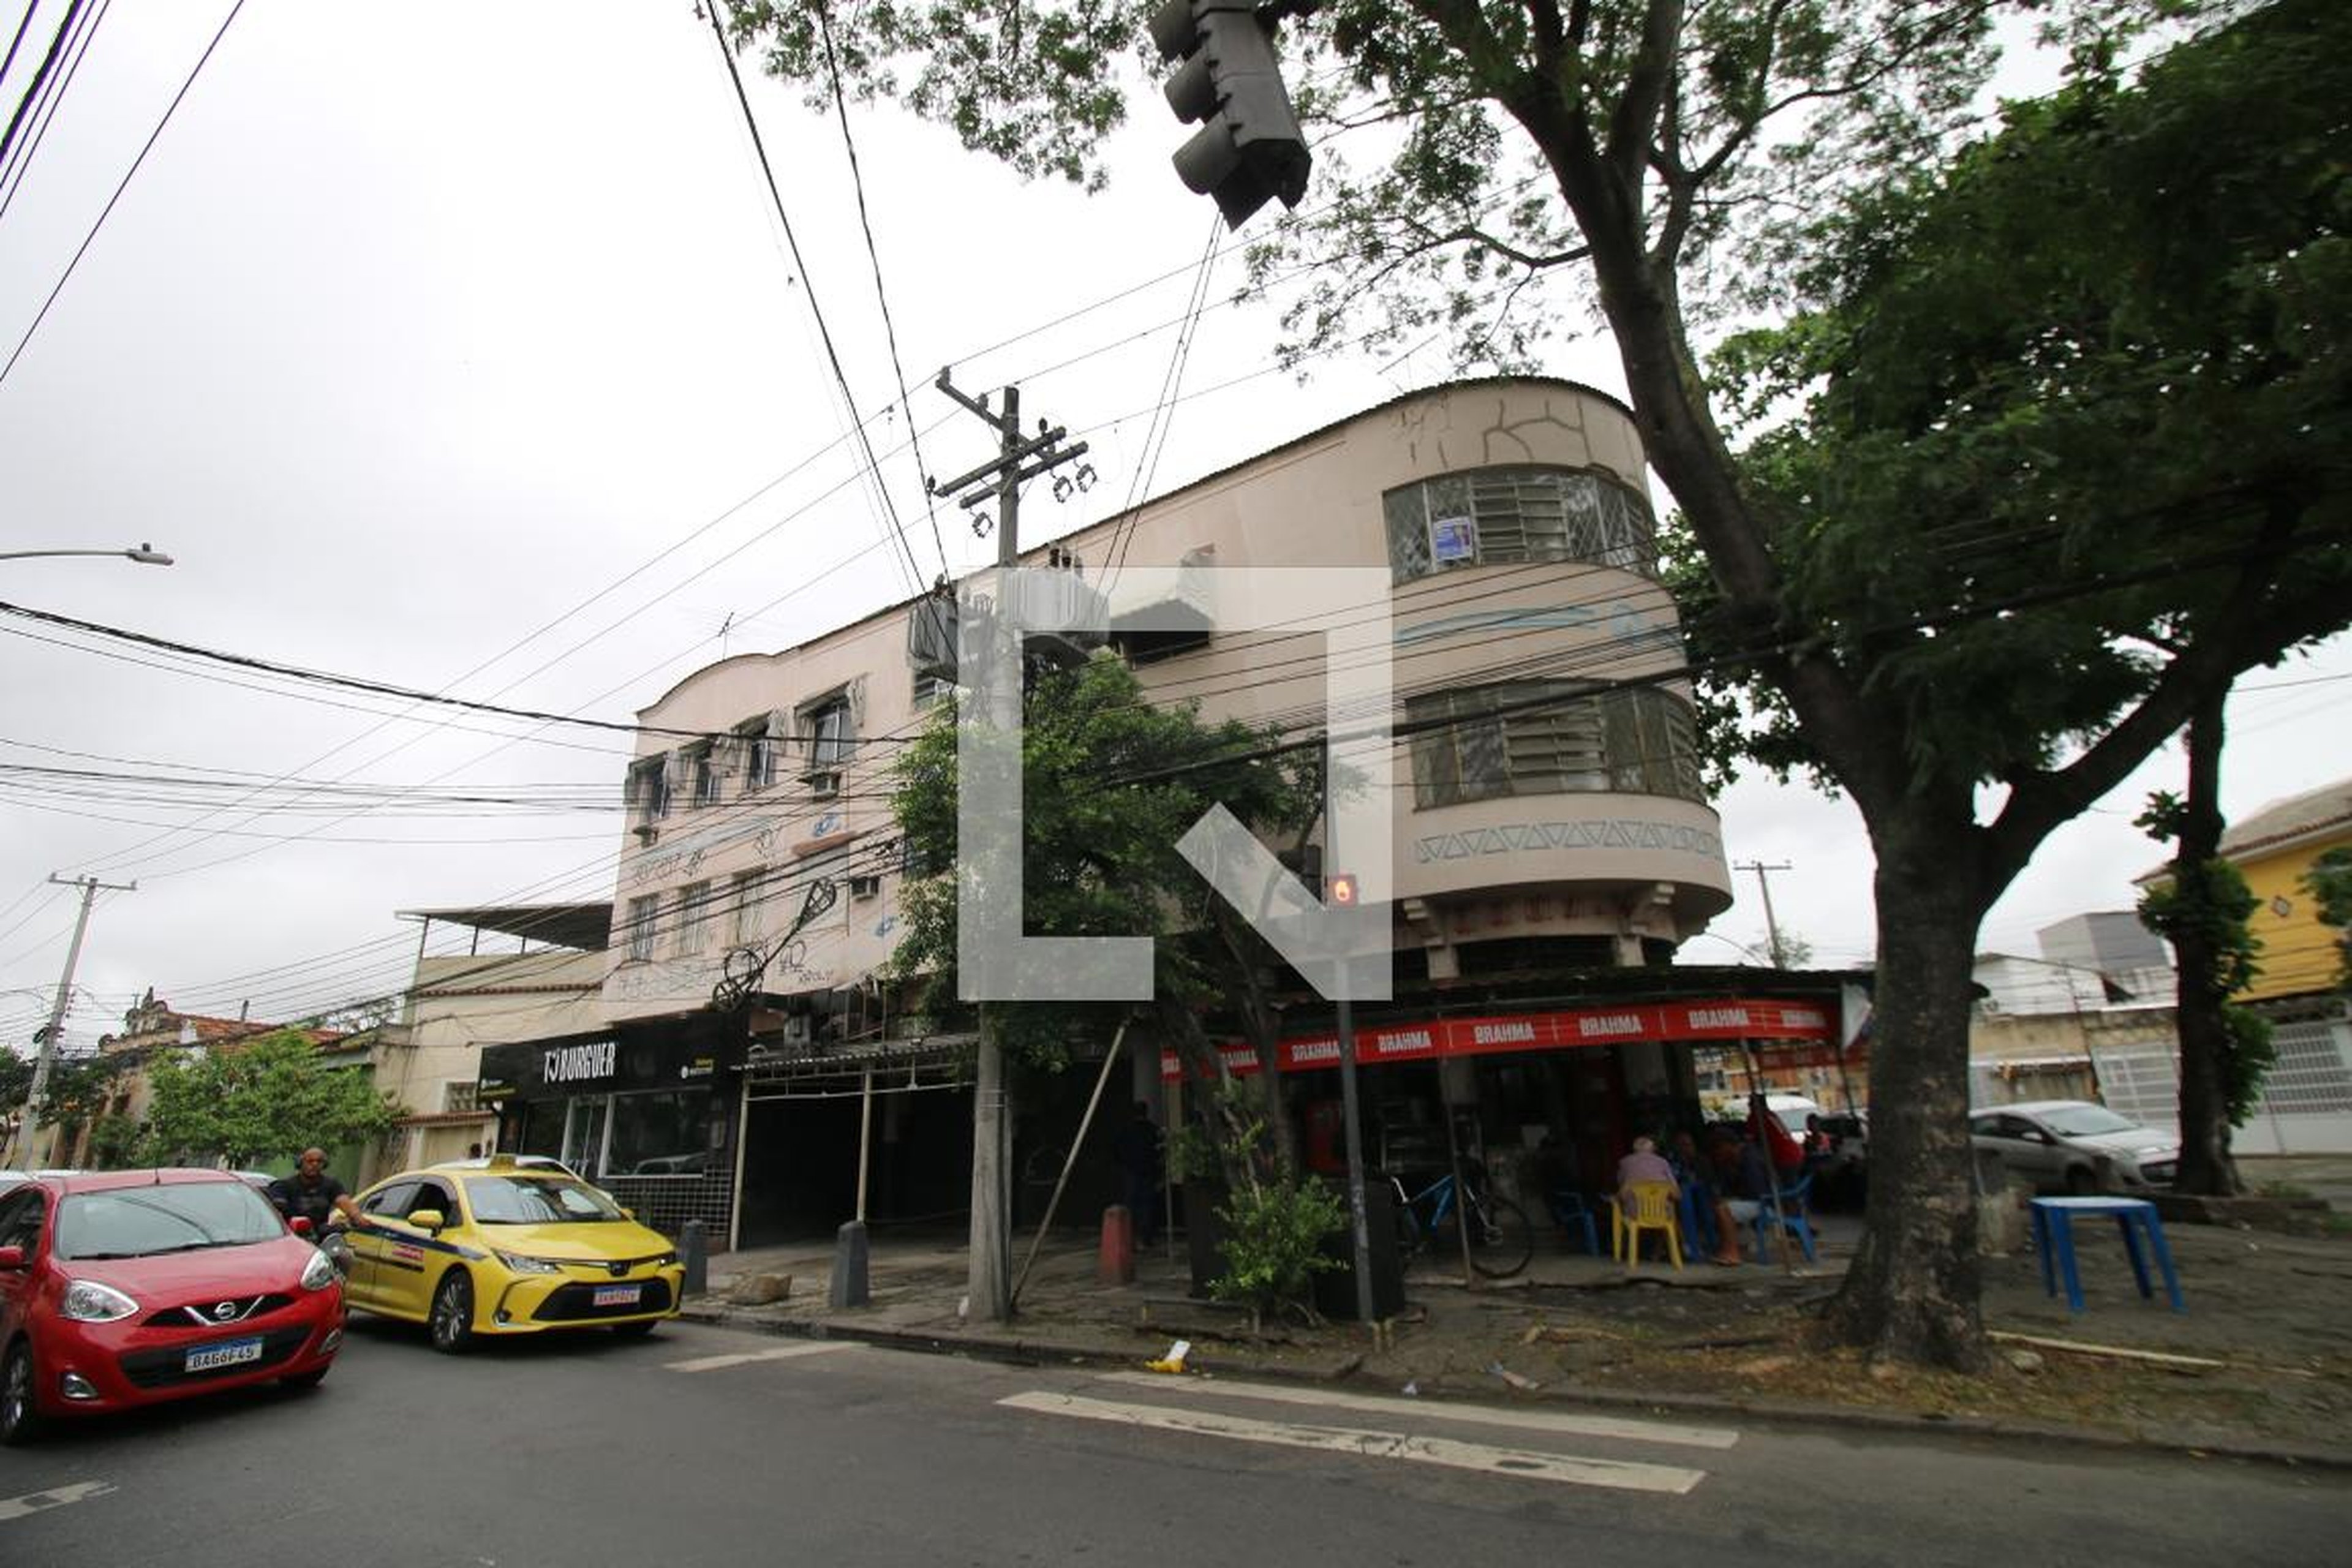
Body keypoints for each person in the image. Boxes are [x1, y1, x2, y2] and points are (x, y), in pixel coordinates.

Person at [268, 1148, 363, 1236]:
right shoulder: (285, 1186)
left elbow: (345, 1202)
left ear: (325, 1165)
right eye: (310, 1161)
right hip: (292, 1236)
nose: (315, 1164)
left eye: (319, 1161)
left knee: (345, 1254)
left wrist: (358, 1218)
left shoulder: (332, 1185)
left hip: (321, 1236)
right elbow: (276, 1210)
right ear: (300, 1163)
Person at [1111, 1102, 1164, 1248]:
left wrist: (1123, 1163)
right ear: (1146, 1113)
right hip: (1148, 1171)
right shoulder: (1153, 1130)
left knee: (1130, 1205)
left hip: (1131, 1171)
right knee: (1147, 1205)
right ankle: (1146, 1237)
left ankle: (1130, 1238)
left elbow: (1116, 1149)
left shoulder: (1126, 1131)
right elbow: (1160, 1151)